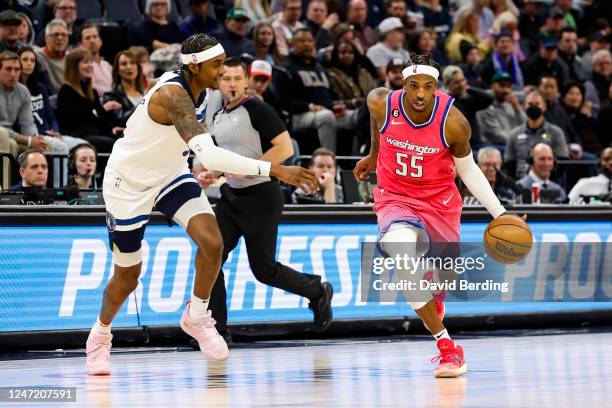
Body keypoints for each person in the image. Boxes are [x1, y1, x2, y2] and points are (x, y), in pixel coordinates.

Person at [85, 33, 318, 376]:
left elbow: (192, 141)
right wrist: (276, 169)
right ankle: (101, 334)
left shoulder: (204, 90)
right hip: (128, 184)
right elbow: (207, 151)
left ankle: (196, 315)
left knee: (212, 242)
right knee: (127, 278)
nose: (223, 72)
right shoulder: (174, 95)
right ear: (194, 66)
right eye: (217, 65)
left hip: (170, 176)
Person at [353, 53, 517, 378]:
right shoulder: (380, 102)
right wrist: (374, 154)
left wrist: (499, 214)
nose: (419, 94)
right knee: (401, 253)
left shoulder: (454, 122)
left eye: (428, 87)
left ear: (437, 87)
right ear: (402, 84)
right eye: (413, 86)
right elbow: (377, 123)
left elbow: (468, 171)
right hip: (395, 197)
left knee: (447, 279)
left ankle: (436, 292)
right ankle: (447, 347)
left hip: (440, 202)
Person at [200, 58, 333, 342]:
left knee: (264, 270)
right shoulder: (219, 115)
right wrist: (212, 173)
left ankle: (317, 291)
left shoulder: (257, 108)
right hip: (231, 197)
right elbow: (231, 155)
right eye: (225, 78)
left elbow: (284, 148)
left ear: (246, 81)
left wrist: (251, 167)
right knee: (210, 258)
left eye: (237, 78)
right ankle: (216, 331)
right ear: (218, 82)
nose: (231, 84)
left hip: (261, 198)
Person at [275, 28, 342, 152]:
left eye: (310, 41)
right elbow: (282, 102)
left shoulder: (319, 68)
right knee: (326, 117)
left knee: (357, 117)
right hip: (299, 115)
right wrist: (309, 106)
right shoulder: (285, 69)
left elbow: (331, 94)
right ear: (292, 44)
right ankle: (329, 161)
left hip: (327, 110)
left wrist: (337, 105)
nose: (307, 44)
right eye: (301, 41)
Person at [0, 50, 68, 154]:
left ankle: (40, 170)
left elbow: (27, 124)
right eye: (8, 69)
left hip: (11, 136)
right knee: (7, 140)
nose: (13, 74)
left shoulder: (23, 91)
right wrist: (28, 140)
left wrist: (36, 138)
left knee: (45, 146)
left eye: (17, 69)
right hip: (4, 135)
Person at [56, 48, 118, 153]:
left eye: (91, 62)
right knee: (112, 144)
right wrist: (102, 110)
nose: (90, 65)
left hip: (94, 133)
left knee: (121, 138)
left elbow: (98, 119)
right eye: (85, 62)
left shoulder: (92, 91)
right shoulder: (66, 91)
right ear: (74, 66)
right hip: (77, 136)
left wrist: (111, 129)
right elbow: (76, 122)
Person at [505, 90, 568, 179]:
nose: (533, 107)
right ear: (524, 106)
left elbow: (562, 163)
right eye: (530, 104)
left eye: (537, 104)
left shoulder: (556, 133)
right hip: (520, 183)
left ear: (544, 106)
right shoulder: (514, 134)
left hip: (548, 183)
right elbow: (509, 164)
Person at [442, 65, 493, 147]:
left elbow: (489, 98)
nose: (461, 85)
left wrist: (468, 88)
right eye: (456, 82)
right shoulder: (446, 104)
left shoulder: (467, 100)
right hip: (460, 148)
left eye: (462, 80)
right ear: (447, 85)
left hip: (476, 144)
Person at [476, 71, 525, 145]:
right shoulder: (484, 104)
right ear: (492, 86)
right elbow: (494, 134)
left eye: (509, 86)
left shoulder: (511, 103)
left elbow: (526, 125)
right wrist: (517, 141)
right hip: (493, 147)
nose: (506, 90)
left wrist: (517, 108)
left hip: (511, 145)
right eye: (502, 85)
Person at [102, 50, 145, 128]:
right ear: (117, 70)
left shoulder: (144, 92)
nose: (129, 67)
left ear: (137, 67)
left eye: (132, 63)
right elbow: (121, 121)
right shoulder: (111, 95)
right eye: (124, 64)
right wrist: (144, 102)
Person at [365, 17, 411, 82]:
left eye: (403, 32)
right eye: (399, 32)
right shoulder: (376, 51)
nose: (403, 36)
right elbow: (384, 76)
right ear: (388, 34)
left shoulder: (404, 53)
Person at [34, 19, 69, 94]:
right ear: (46, 38)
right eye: (56, 34)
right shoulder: (37, 57)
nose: (60, 38)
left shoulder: (71, 58)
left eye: (63, 35)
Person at [78, 23, 112, 96]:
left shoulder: (107, 65)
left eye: (95, 36)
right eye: (87, 38)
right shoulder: (79, 66)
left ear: (100, 41)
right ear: (80, 44)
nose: (92, 40)